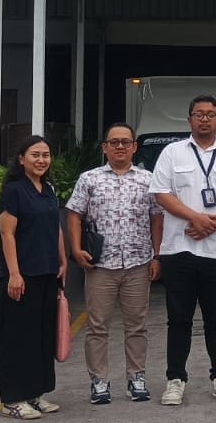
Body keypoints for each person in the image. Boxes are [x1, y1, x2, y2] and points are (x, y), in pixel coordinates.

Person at [149, 95, 216, 406]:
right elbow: (161, 194)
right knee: (178, 319)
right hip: (178, 249)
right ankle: (175, 379)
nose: (205, 119)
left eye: (210, 114)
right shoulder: (172, 153)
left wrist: (213, 223)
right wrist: (196, 218)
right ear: (189, 119)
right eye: (199, 114)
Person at [64, 123, 164, 404]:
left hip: (138, 263)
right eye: (114, 142)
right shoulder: (89, 179)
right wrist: (76, 249)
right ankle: (99, 381)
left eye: (125, 142)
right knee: (97, 326)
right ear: (105, 148)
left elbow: (157, 218)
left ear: (134, 147)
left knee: (137, 325)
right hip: (101, 266)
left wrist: (157, 256)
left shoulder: (148, 180)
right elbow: (74, 215)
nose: (120, 146)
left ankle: (136, 378)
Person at [0, 135, 68, 420]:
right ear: (21, 159)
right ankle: (13, 399)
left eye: (45, 155)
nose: (41, 160)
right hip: (22, 276)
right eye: (35, 155)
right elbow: (7, 233)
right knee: (18, 339)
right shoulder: (14, 191)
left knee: (41, 338)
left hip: (47, 273)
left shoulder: (47, 188)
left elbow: (55, 226)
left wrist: (62, 259)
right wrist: (14, 274)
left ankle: (35, 394)